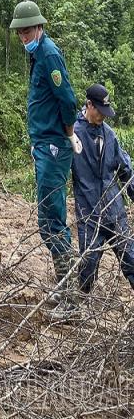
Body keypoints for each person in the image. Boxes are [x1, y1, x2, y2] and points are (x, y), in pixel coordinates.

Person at [9, 0, 81, 315]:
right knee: (46, 220)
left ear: (39, 27)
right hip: (43, 145)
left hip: (54, 146)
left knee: (52, 219)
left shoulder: (49, 54)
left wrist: (67, 133)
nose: (24, 38)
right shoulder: (38, 54)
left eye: (27, 32)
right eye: (20, 34)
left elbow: (67, 98)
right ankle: (64, 287)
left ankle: (71, 301)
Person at [72, 83, 134, 294]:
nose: (103, 117)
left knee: (131, 258)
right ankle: (78, 306)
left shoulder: (110, 135)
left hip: (114, 210)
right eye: (100, 112)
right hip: (88, 212)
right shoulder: (73, 134)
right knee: (87, 266)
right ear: (89, 104)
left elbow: (126, 168)